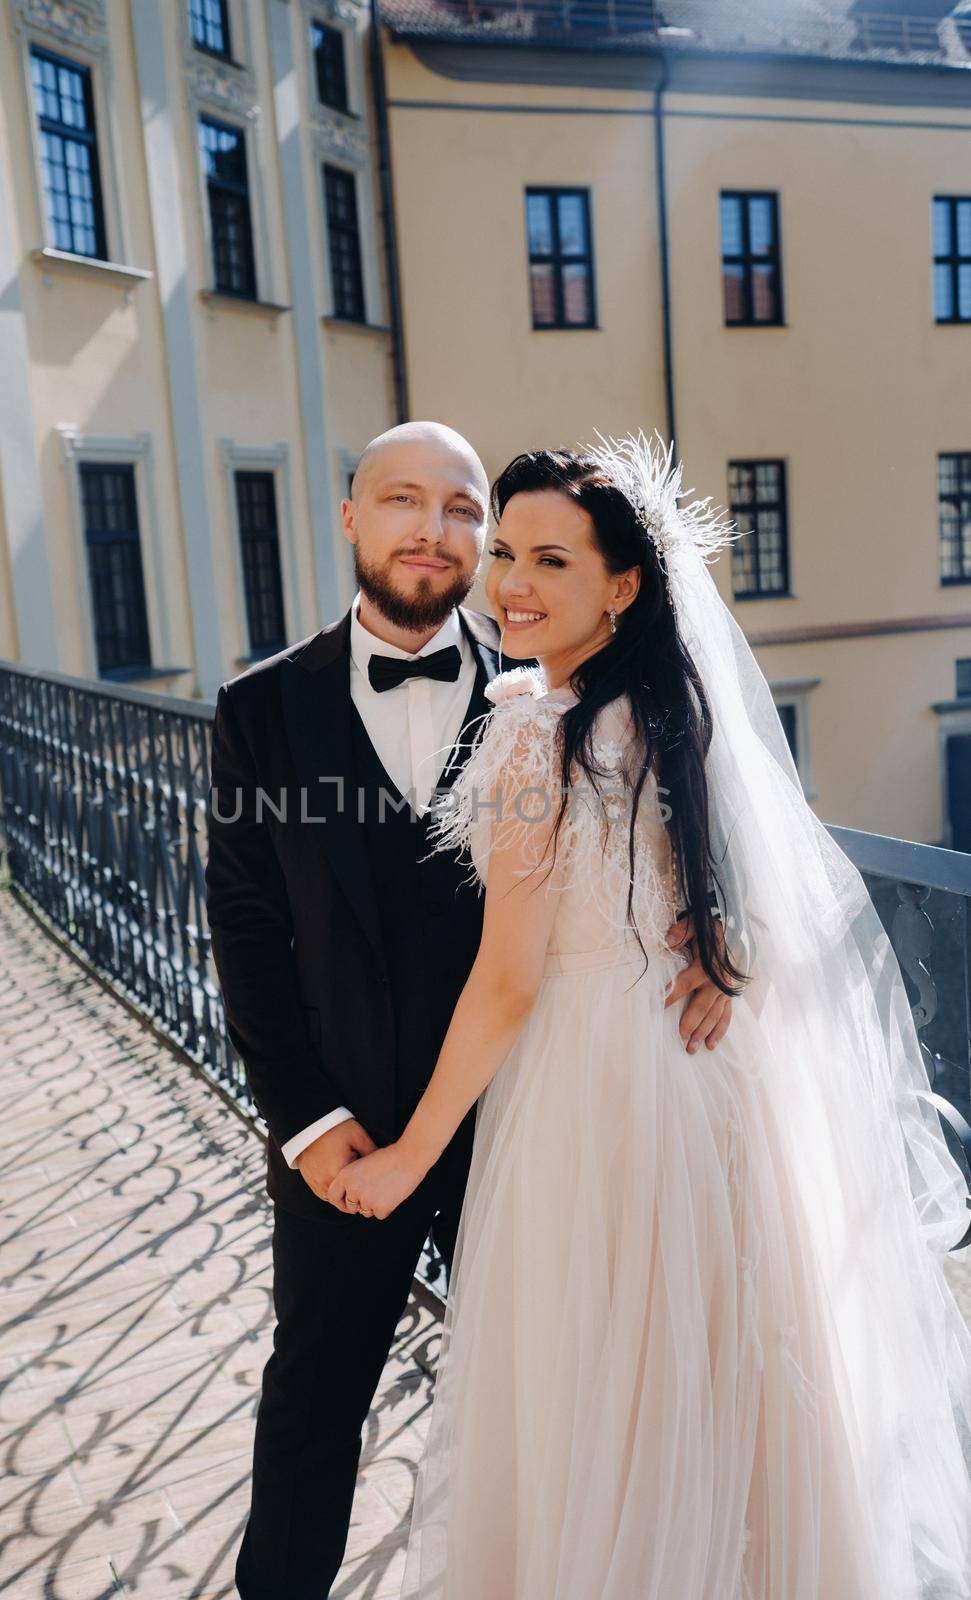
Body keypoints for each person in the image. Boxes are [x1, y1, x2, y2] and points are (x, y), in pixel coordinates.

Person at [330, 435, 971, 1599]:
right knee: (728, 1404)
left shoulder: (533, 731)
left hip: (587, 1097)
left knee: (603, 1402)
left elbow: (508, 980)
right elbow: (726, 894)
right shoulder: (669, 712)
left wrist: (409, 1157)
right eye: (506, 553)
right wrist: (723, 955)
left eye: (551, 561)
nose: (511, 584)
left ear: (622, 586)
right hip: (707, 1089)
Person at [204, 421, 734, 1600]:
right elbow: (246, 932)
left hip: (538, 1120)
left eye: (460, 510)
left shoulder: (549, 679)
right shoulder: (258, 712)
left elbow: (672, 823)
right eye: (403, 500)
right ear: (351, 520)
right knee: (311, 1403)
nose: (434, 532)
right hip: (350, 1132)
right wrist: (303, 1121)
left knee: (558, 1395)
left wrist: (712, 934)